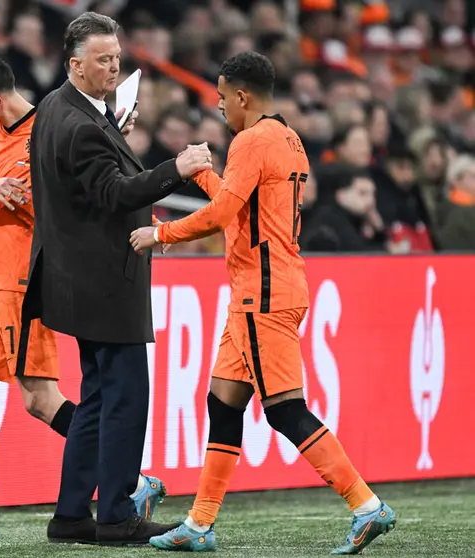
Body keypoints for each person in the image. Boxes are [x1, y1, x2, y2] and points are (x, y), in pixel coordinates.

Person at [130, 51, 396, 555]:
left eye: (222, 97)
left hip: (263, 294)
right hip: (267, 288)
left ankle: (365, 505)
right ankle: (199, 524)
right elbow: (241, 210)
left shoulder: (251, 141)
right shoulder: (289, 138)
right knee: (223, 403)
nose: (220, 107)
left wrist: (160, 232)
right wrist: (203, 174)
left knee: (285, 411)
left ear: (241, 95)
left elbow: (222, 215)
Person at [0, 53, 167, 545]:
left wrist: (32, 201)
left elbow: (72, 213)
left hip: (26, 283)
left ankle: (131, 482)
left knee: (39, 401)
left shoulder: (52, 129)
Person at [19, 13, 211, 547]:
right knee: (124, 398)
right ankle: (117, 513)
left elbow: (93, 175)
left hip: (77, 281)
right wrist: (180, 167)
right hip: (105, 282)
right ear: (75, 64)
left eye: (117, 59)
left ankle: (72, 513)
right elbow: (114, 194)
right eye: (103, 60)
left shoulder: (59, 108)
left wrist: (113, 131)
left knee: (99, 397)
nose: (113, 67)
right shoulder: (82, 124)